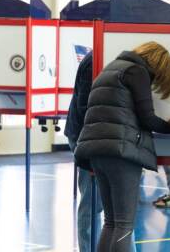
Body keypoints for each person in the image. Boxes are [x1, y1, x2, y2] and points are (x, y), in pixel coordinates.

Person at [74, 41, 170, 252]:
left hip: (96, 151)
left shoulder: (112, 68)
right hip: (120, 154)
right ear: (157, 64)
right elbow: (147, 119)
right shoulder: (137, 72)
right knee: (124, 224)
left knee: (111, 222)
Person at [64, 51, 104, 252]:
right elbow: (86, 108)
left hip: (99, 138)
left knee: (100, 205)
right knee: (91, 203)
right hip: (84, 137)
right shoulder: (95, 59)